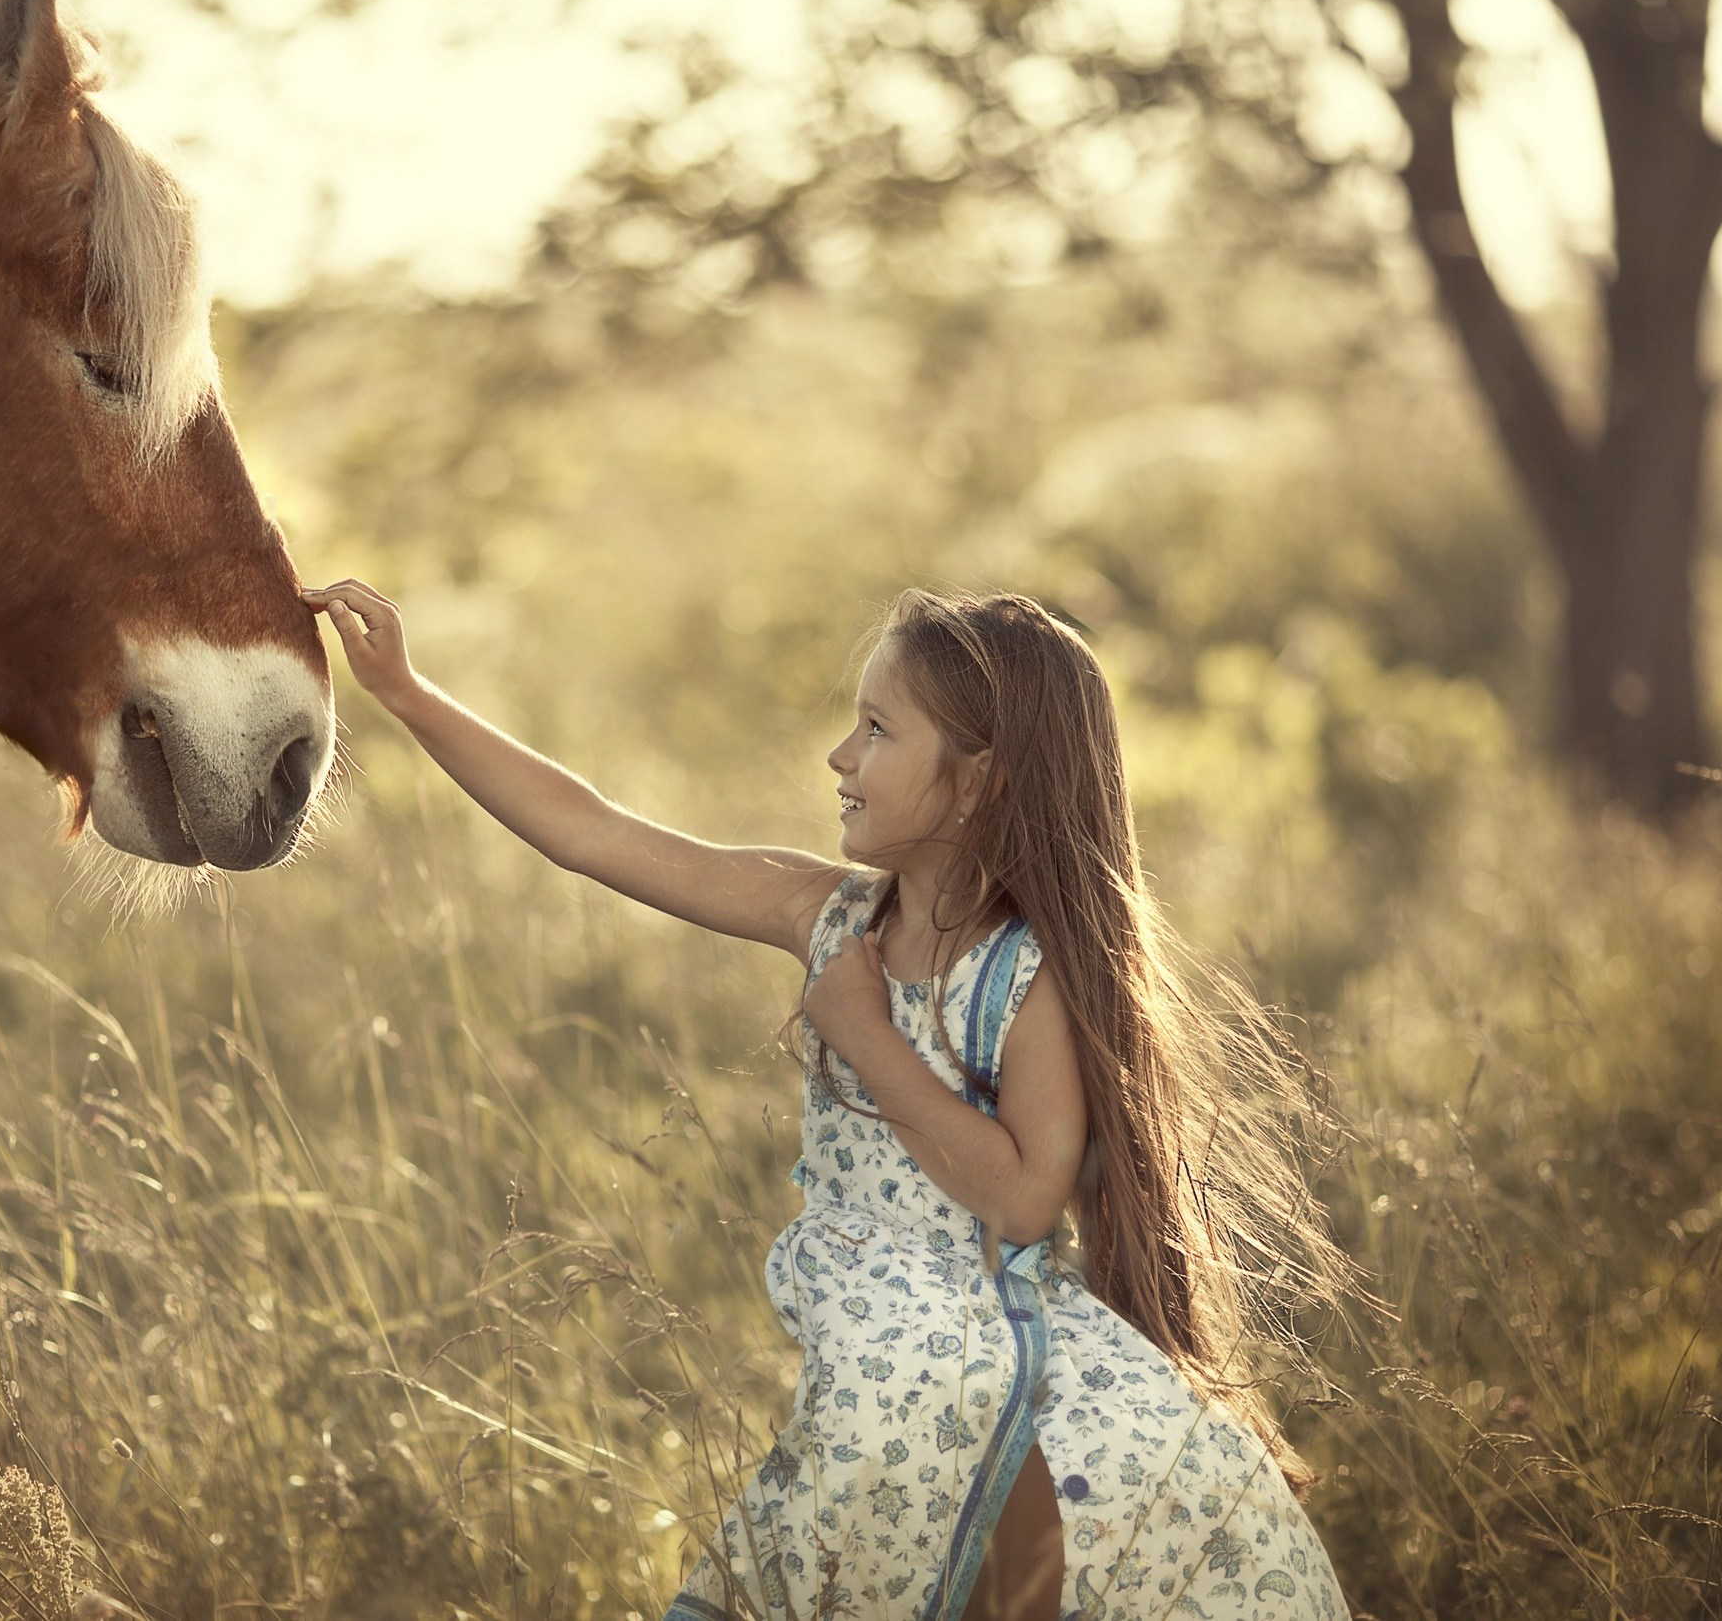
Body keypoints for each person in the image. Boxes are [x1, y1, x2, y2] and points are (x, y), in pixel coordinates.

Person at [304, 579, 1354, 1621]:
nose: (839, 757)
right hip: (875, 1391)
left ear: (976, 782)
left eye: (877, 730)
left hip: (986, 1389)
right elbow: (593, 832)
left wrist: (865, 1035)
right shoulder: (831, 915)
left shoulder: (1026, 974)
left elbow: (1026, 1199)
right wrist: (406, 694)